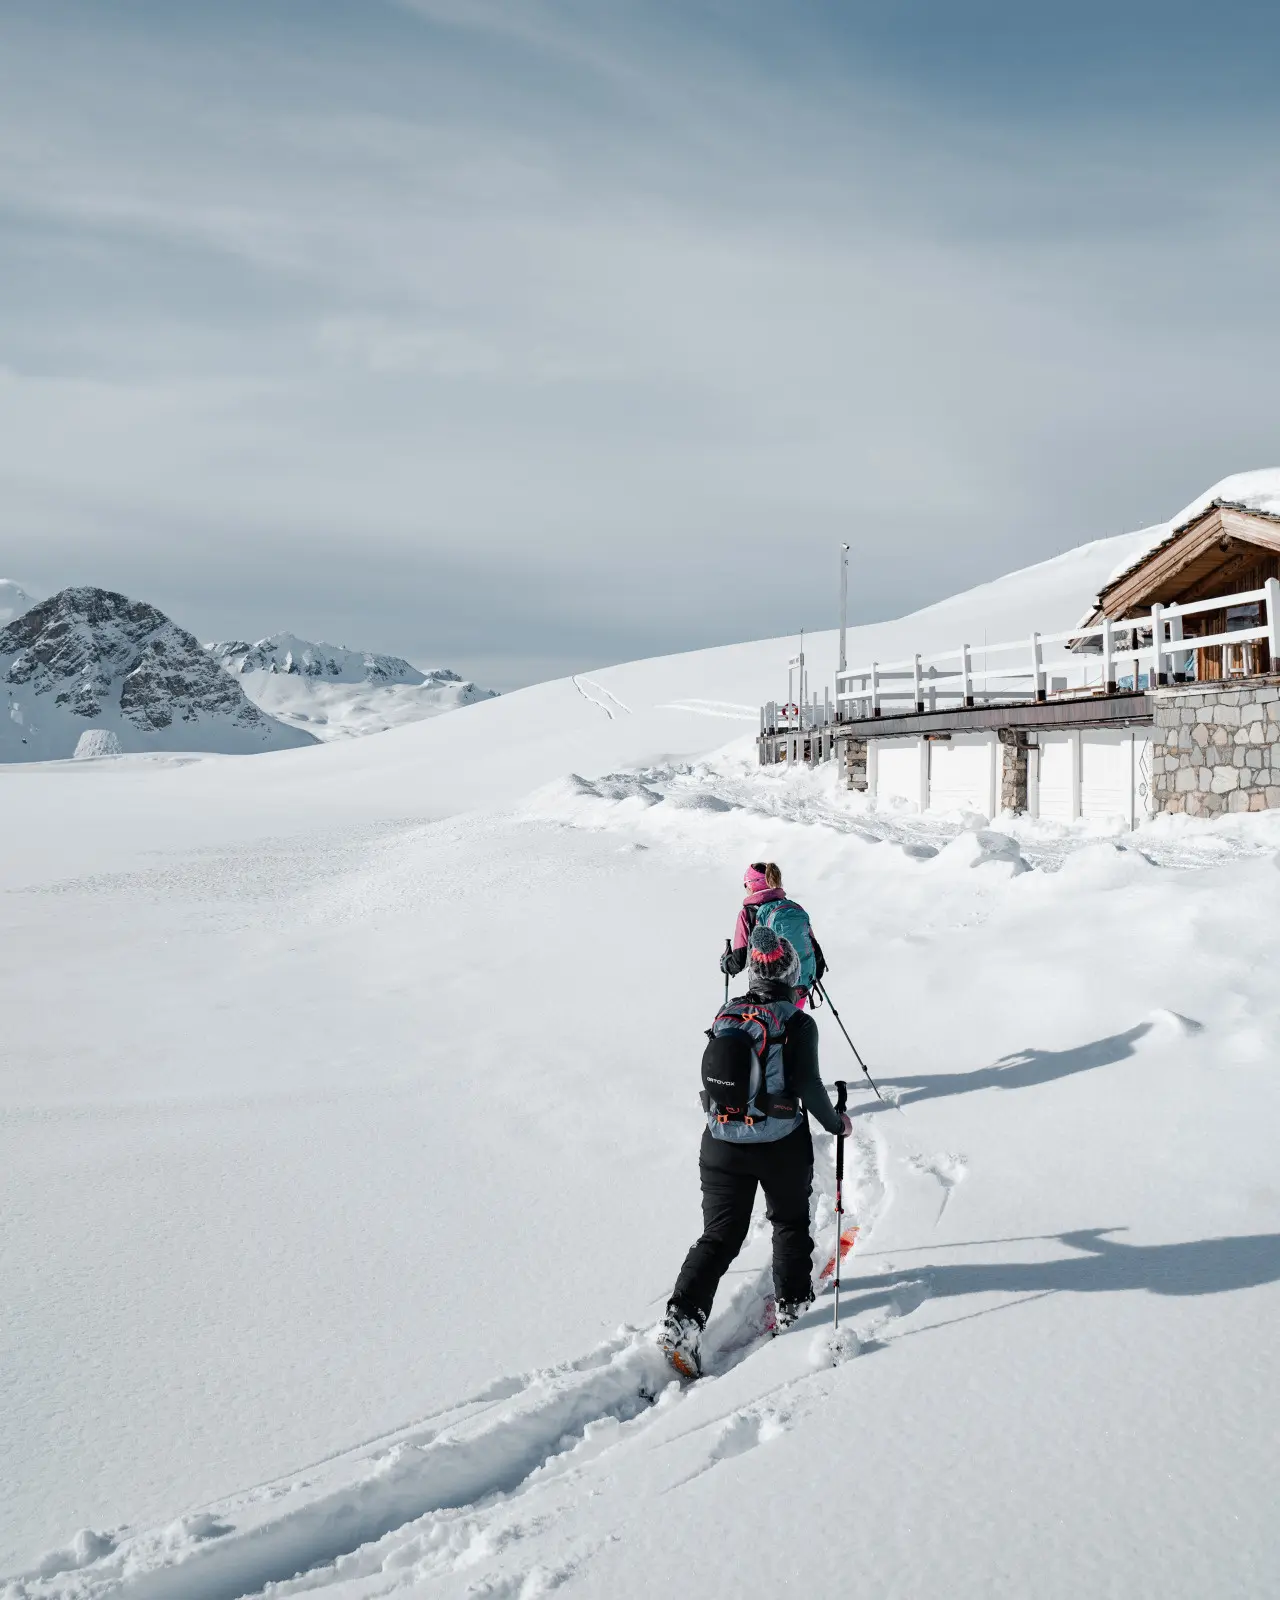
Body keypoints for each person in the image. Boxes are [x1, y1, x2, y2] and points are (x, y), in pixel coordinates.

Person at [661, 922, 852, 1378]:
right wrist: (836, 1123)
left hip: (721, 1142)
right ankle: (792, 1306)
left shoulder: (727, 1013)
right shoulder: (798, 1023)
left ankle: (682, 1319)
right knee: (789, 1223)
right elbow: (808, 1085)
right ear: (790, 974)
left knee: (719, 1235)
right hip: (779, 1144)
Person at [720, 862, 826, 1007]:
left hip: (768, 992)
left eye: (746, 885)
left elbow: (738, 961)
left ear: (752, 885)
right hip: (800, 987)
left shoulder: (748, 913)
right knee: (793, 1020)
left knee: (771, 1020)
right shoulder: (793, 907)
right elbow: (813, 946)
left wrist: (726, 963)